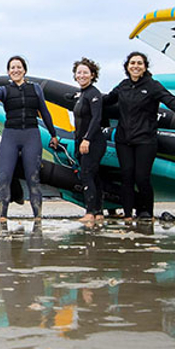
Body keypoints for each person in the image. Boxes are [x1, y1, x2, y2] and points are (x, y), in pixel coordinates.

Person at [104, 51, 175, 221]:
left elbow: (171, 102)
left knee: (142, 177)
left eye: (139, 63)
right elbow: (107, 100)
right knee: (127, 176)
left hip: (146, 140)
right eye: (132, 63)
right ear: (127, 67)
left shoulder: (153, 86)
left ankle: (146, 213)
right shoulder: (122, 85)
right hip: (124, 139)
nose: (136, 66)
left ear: (145, 67)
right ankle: (128, 213)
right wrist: (86, 101)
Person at [0, 56, 59, 220]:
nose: (15, 70)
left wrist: (53, 134)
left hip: (31, 135)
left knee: (33, 176)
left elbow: (45, 112)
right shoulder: (4, 90)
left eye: (19, 67)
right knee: (4, 176)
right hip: (11, 136)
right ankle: (3, 216)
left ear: (24, 70)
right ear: (8, 72)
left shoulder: (35, 89)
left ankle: (38, 216)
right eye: (12, 68)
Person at [71, 58, 105, 224]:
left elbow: (96, 118)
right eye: (79, 72)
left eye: (85, 72)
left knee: (87, 175)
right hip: (83, 141)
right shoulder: (82, 94)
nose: (82, 75)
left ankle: (90, 212)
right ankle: (98, 212)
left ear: (92, 75)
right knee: (94, 175)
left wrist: (87, 139)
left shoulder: (94, 93)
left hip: (93, 141)